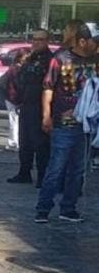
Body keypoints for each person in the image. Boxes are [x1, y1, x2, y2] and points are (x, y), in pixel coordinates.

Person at [34, 21, 98, 223]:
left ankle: (68, 207)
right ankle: (43, 208)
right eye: (94, 41)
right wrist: (46, 115)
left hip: (85, 124)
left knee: (78, 169)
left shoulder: (95, 59)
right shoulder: (61, 58)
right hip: (64, 123)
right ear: (82, 41)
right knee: (56, 167)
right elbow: (48, 87)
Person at [9, 29, 53, 187]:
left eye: (40, 39)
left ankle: (42, 176)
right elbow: (21, 78)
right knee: (24, 141)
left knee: (41, 144)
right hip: (26, 104)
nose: (36, 42)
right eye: (34, 39)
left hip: (40, 107)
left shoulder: (50, 60)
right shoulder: (30, 58)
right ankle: (24, 172)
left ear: (47, 41)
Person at [2, 49, 30, 151]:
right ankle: (14, 142)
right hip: (14, 98)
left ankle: (14, 142)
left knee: (15, 121)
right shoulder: (17, 69)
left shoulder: (15, 68)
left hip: (13, 98)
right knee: (15, 121)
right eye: (25, 57)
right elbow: (15, 86)